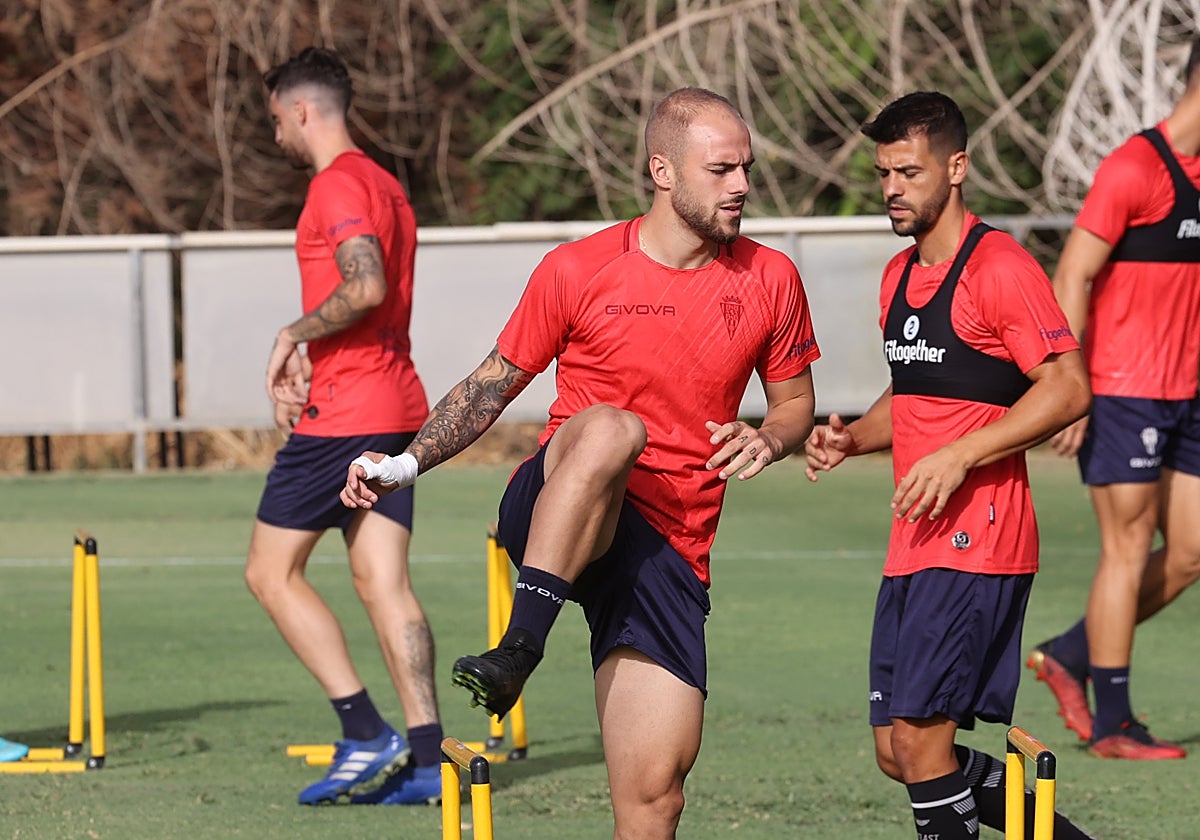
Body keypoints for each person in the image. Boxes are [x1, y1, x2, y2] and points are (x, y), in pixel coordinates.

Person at [341, 87, 820, 839]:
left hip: (669, 545)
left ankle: (534, 649)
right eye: (722, 169)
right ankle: (519, 646)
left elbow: (795, 404)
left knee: (655, 797)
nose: (743, 187)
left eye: (746, 168)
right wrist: (401, 467)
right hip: (558, 501)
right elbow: (490, 384)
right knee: (612, 431)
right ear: (663, 170)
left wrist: (773, 436)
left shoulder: (771, 280)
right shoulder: (578, 268)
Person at [805, 92, 1094, 840]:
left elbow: (1066, 387)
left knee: (919, 743)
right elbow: (917, 392)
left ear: (956, 167)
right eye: (883, 174)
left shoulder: (999, 267)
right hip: (915, 543)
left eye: (909, 171)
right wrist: (852, 440)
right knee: (896, 752)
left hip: (980, 543)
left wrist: (962, 454)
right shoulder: (897, 279)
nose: (892, 188)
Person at [246, 47, 442, 806]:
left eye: (275, 122)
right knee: (382, 581)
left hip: (348, 416)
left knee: (269, 572)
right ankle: (427, 761)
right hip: (396, 405)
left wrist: (290, 335)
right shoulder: (386, 184)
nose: (275, 139)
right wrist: (312, 349)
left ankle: (363, 730)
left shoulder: (337, 186)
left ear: (302, 111)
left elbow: (365, 284)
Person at [1026, 36, 1200, 761]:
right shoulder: (1133, 167)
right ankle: (1114, 725)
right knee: (1125, 551)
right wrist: (1073, 386)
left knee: (1189, 552)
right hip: (1124, 392)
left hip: (1189, 394)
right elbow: (1072, 276)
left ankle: (1071, 652)